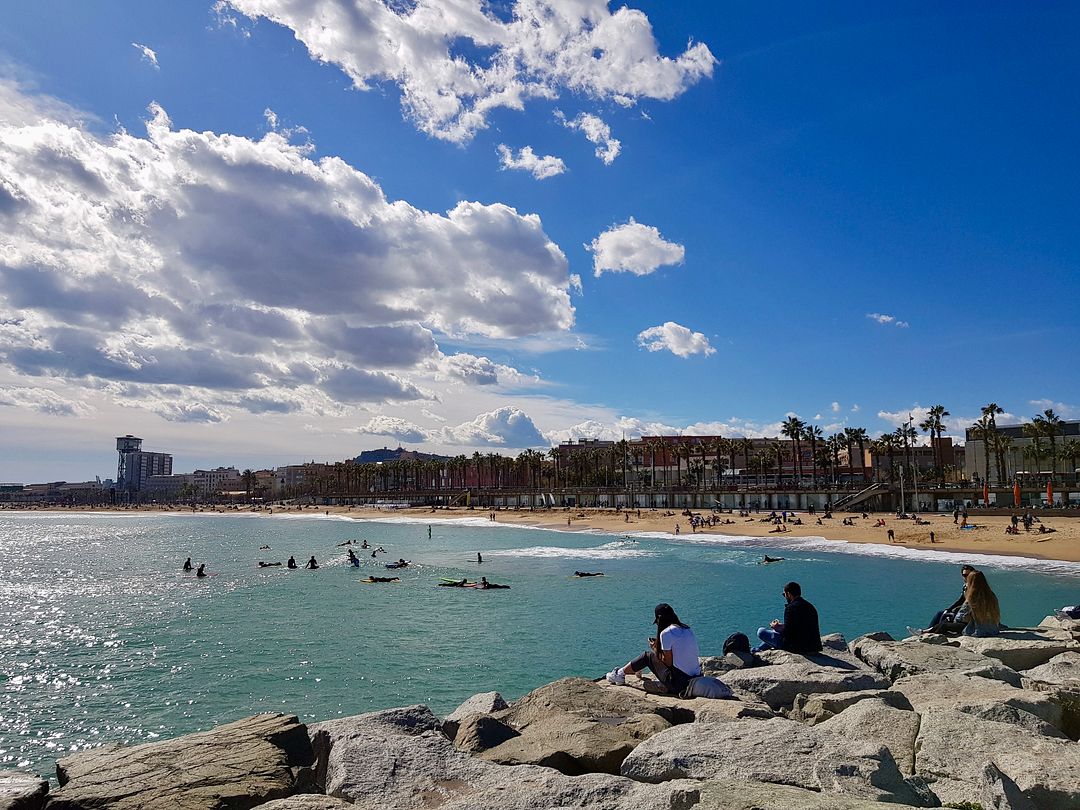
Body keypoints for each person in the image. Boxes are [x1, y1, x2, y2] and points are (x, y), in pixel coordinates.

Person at [606, 603, 702, 695]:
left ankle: (619, 675)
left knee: (647, 656)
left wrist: (655, 649)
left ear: (659, 619)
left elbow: (668, 662)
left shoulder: (667, 633)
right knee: (650, 657)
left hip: (680, 684)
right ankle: (629, 671)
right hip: (696, 678)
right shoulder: (687, 629)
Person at [754, 582, 821, 653]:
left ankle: (755, 651)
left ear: (789, 594)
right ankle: (757, 649)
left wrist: (776, 627)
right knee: (774, 633)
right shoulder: (810, 606)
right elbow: (800, 626)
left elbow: (788, 634)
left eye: (784, 594)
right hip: (813, 646)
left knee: (761, 631)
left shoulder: (790, 608)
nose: (785, 597)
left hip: (796, 647)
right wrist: (781, 626)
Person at [911, 564, 975, 634]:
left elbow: (969, 604)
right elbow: (961, 600)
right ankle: (928, 631)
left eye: (968, 575)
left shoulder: (975, 588)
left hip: (967, 616)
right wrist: (949, 608)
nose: (966, 577)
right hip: (962, 611)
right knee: (940, 613)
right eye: (964, 575)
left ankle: (928, 632)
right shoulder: (966, 586)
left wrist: (956, 610)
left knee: (947, 617)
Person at [962, 570, 1001, 637]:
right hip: (993, 630)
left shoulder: (972, 597)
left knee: (943, 625)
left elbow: (960, 617)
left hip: (977, 630)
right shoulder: (991, 595)